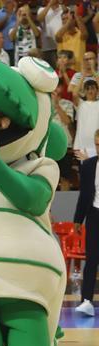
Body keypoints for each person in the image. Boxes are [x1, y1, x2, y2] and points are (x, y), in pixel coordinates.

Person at [73, 129, 99, 315]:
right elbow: (84, 196)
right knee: (91, 260)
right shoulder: (88, 165)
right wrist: (77, 220)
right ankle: (86, 301)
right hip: (94, 216)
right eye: (97, 144)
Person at [56, 7, 87, 72]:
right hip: (64, 71)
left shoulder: (80, 33)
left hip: (79, 71)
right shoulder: (61, 35)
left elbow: (85, 34)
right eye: (63, 19)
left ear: (74, 20)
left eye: (67, 18)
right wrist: (69, 20)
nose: (65, 21)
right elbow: (57, 36)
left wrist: (76, 16)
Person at [74, 79, 99, 158]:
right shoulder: (81, 104)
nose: (90, 91)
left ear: (97, 90)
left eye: (92, 88)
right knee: (84, 170)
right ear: (84, 91)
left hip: (97, 145)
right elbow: (74, 93)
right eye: (87, 89)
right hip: (82, 146)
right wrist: (83, 75)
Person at [38, 0, 65, 67]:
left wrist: (61, 3)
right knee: (50, 67)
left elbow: (67, 14)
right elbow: (39, 19)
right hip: (48, 45)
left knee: (61, 67)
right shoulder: (42, 9)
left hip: (62, 43)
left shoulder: (63, 8)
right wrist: (50, 4)